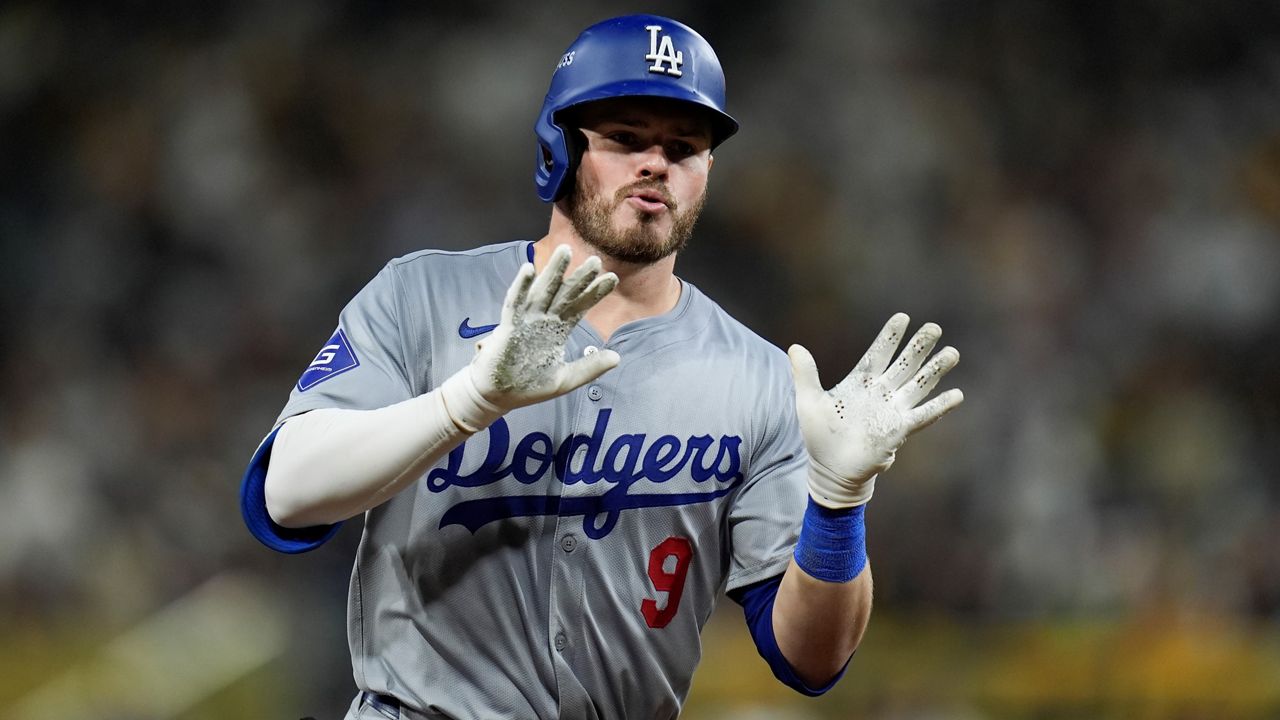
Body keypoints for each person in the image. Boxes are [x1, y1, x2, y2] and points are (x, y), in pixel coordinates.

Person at [240, 14, 962, 720]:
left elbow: (811, 659)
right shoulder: (421, 296)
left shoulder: (759, 377)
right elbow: (285, 495)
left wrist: (838, 504)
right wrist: (465, 404)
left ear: (707, 172)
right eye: (625, 138)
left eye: (683, 147)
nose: (656, 163)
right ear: (558, 148)